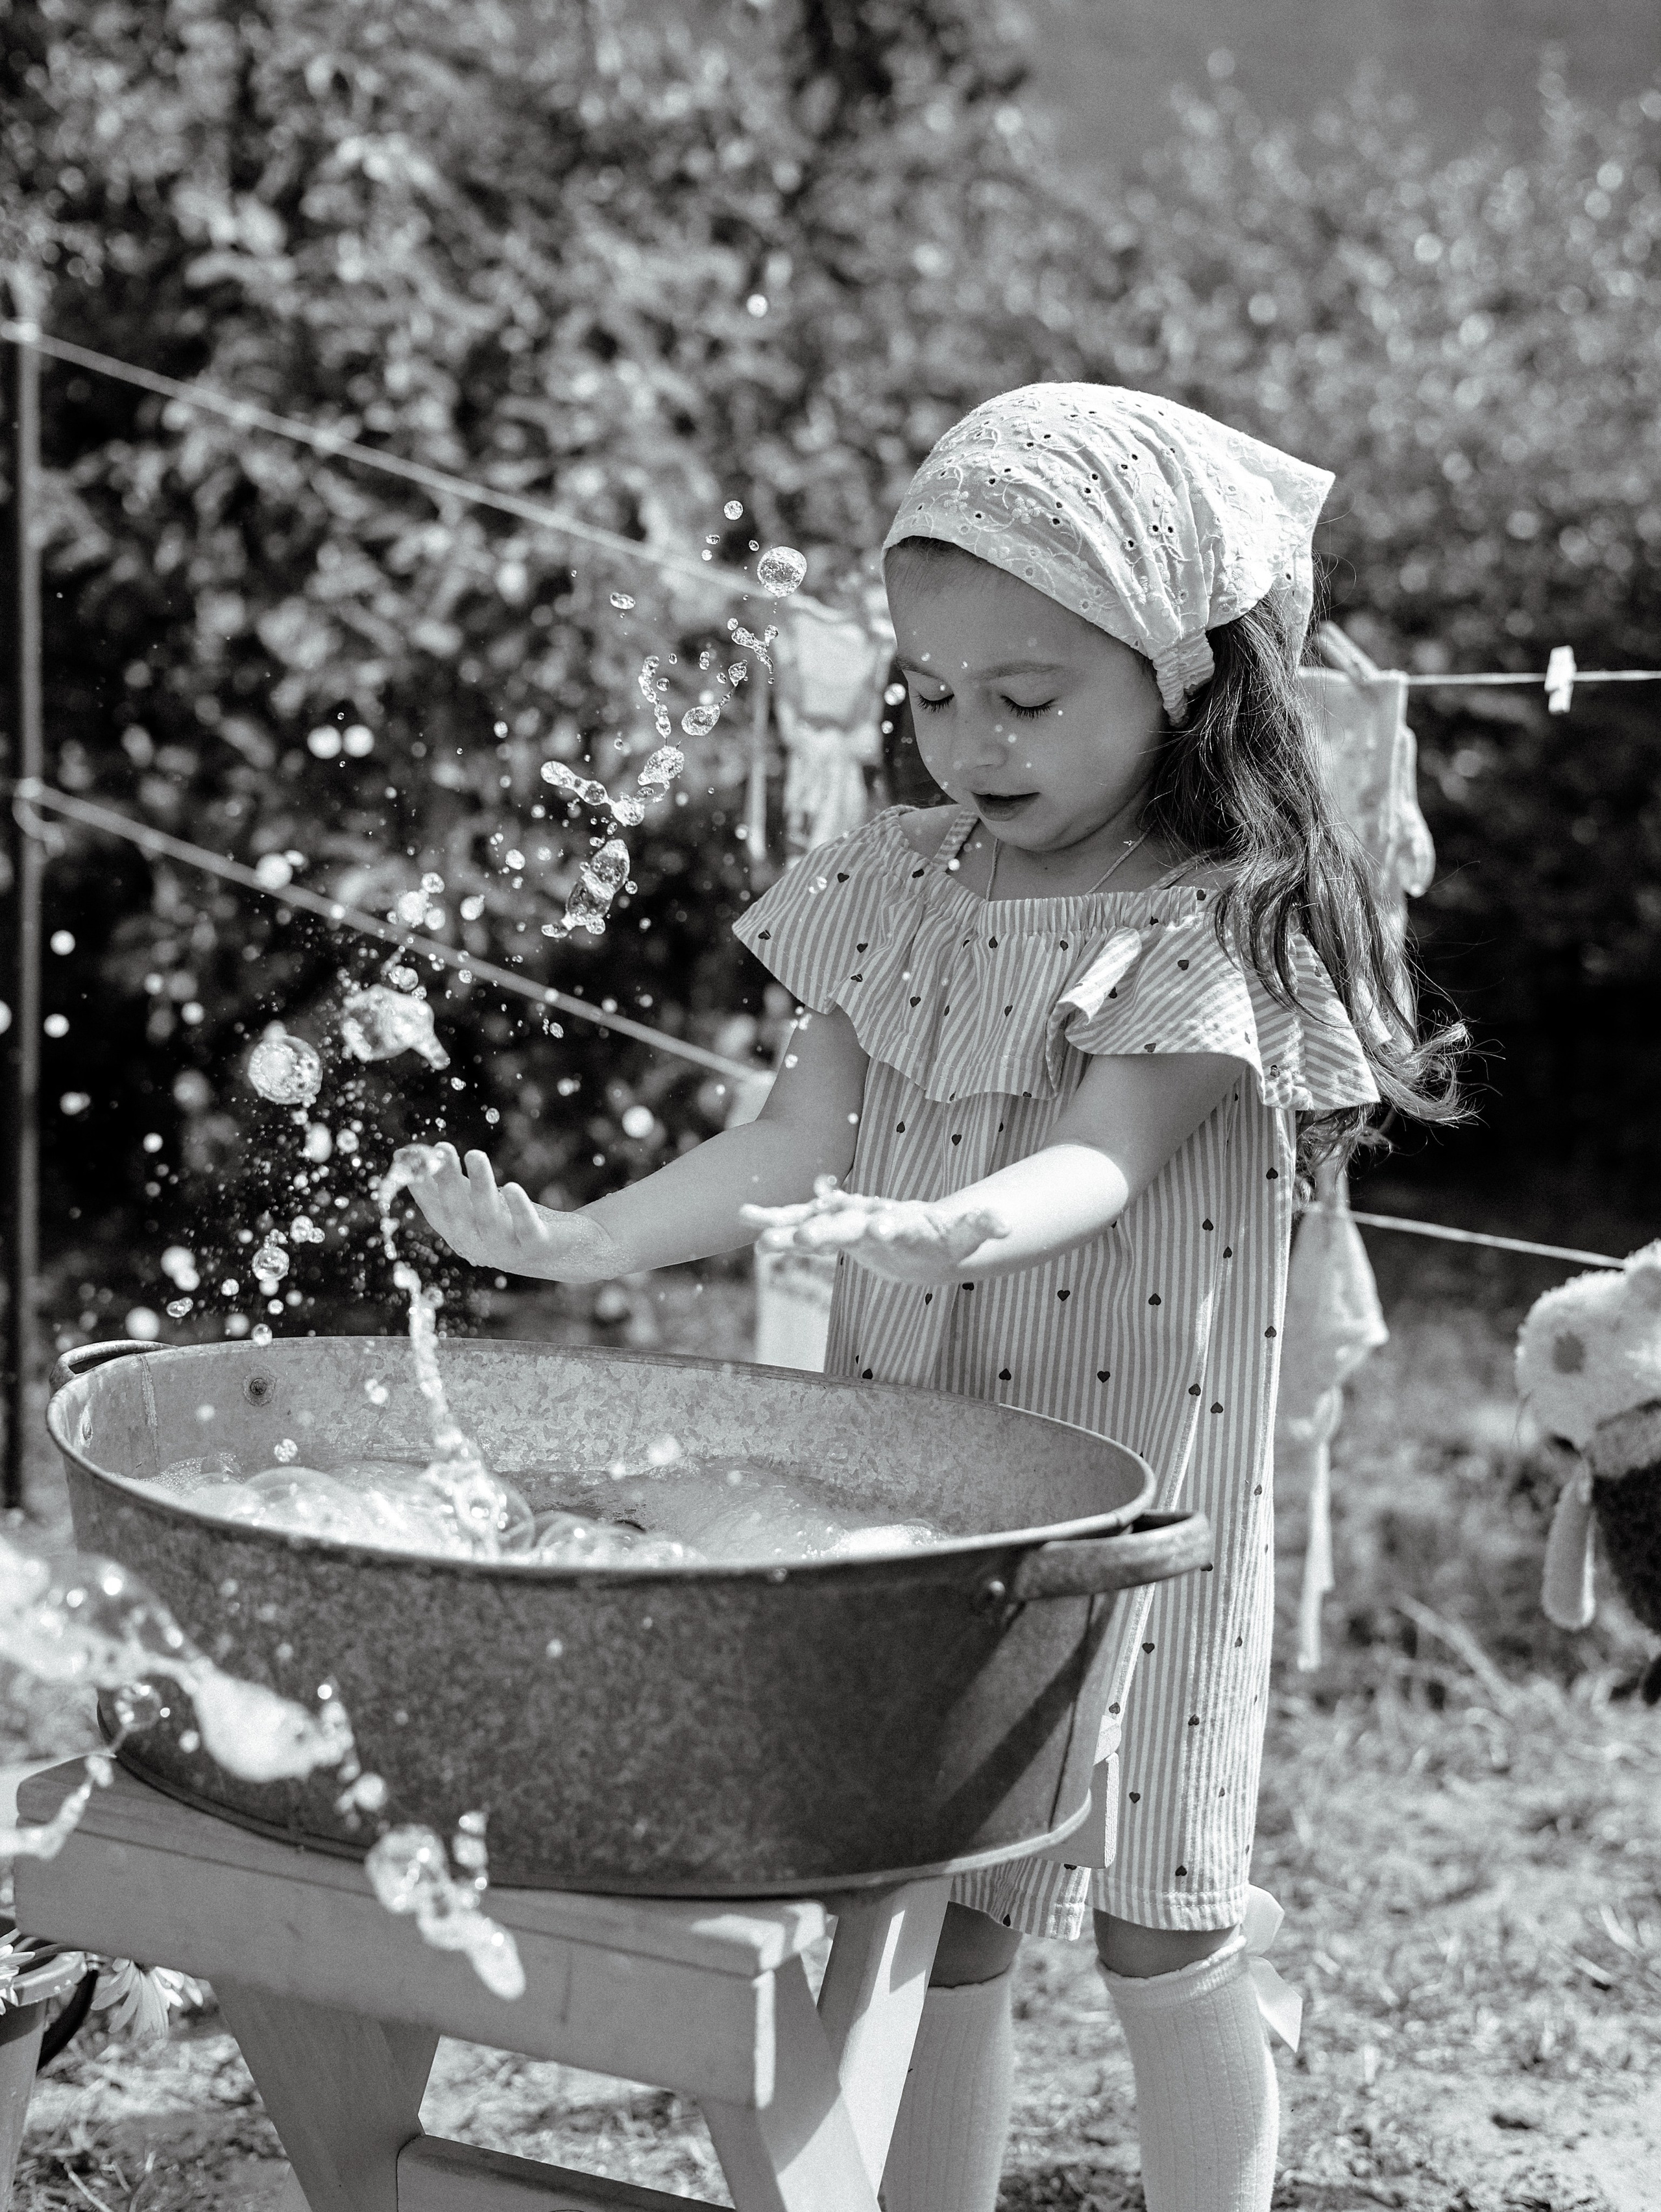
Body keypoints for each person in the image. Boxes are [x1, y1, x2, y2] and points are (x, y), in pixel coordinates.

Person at [406, 383, 1463, 2212]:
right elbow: (788, 1135)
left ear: (1181, 670)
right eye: (932, 691)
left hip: (1141, 1498)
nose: (969, 738)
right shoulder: (896, 879)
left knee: (1160, 1926)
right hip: (923, 1495)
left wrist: (963, 1224)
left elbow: (1108, 1158)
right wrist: (581, 1242)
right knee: (934, 1915)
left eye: (1026, 697)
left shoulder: (1219, 917)